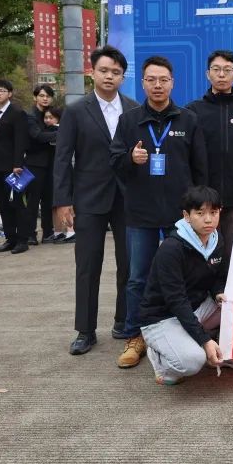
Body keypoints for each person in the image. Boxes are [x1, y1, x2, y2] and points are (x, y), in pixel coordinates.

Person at [110, 55, 208, 369]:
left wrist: (197, 211)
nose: (157, 85)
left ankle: (180, 329)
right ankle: (134, 335)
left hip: (181, 217)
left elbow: (200, 168)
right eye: (151, 79)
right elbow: (114, 163)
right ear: (142, 83)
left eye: (163, 80)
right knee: (138, 277)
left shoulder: (188, 120)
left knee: (184, 276)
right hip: (141, 213)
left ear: (172, 83)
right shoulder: (129, 121)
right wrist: (130, 158)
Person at [53, 45, 139, 355]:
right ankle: (85, 330)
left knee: (129, 264)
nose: (109, 76)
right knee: (88, 265)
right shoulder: (77, 111)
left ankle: (123, 321)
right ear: (92, 73)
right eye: (104, 70)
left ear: (123, 77)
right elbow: (63, 158)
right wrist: (63, 201)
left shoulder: (133, 109)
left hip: (128, 197)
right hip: (89, 198)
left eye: (116, 72)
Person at [139, 185, 233, 386]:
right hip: (163, 317)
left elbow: (217, 278)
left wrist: (218, 292)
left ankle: (223, 352)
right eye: (200, 213)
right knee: (192, 362)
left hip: (196, 308)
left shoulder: (216, 240)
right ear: (187, 215)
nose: (208, 219)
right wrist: (204, 340)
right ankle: (160, 358)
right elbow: (176, 301)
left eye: (213, 212)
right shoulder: (172, 248)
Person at [184, 50, 233, 253]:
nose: (222, 74)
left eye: (227, 70)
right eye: (216, 69)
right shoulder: (192, 111)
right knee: (201, 252)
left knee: (232, 252)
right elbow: (185, 154)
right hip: (202, 199)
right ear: (208, 74)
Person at [0, 79, 30, 255]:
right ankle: (10, 239)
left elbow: (21, 140)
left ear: (10, 93)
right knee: (2, 204)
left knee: (16, 203)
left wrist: (18, 164)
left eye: (2, 90)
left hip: (12, 167)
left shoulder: (17, 113)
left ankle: (23, 240)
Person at [24, 84, 58, 245]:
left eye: (48, 96)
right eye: (42, 95)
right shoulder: (30, 116)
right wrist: (59, 133)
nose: (45, 99)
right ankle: (30, 234)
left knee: (48, 199)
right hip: (34, 163)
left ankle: (48, 233)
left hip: (51, 162)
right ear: (35, 97)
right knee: (33, 200)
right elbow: (36, 136)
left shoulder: (51, 114)